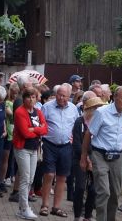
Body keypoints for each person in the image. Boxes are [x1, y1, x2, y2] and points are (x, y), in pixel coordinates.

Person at [80, 86, 122, 221]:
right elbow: (88, 134)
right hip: (100, 155)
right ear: (115, 97)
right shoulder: (102, 112)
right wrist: (83, 157)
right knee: (104, 191)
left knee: (115, 193)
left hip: (118, 157)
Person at [38, 84, 77, 218]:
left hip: (66, 146)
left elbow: (76, 125)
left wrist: (73, 139)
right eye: (59, 95)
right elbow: (40, 124)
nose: (61, 98)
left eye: (64, 96)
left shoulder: (73, 109)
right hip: (49, 145)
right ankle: (44, 205)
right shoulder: (47, 107)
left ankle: (56, 207)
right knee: (49, 174)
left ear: (69, 96)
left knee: (62, 177)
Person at [12, 88, 48, 219]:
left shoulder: (38, 111)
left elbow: (46, 129)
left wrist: (34, 129)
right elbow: (25, 133)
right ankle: (23, 208)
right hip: (22, 148)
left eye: (34, 97)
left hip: (34, 148)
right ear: (24, 98)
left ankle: (24, 206)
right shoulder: (20, 112)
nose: (31, 99)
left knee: (31, 179)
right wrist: (37, 130)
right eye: (28, 97)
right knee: (25, 178)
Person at [72, 96, 105, 221]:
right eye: (97, 108)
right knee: (80, 187)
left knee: (93, 189)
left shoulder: (100, 122)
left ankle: (88, 215)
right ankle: (77, 216)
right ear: (91, 109)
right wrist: (86, 158)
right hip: (80, 158)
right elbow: (77, 143)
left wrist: (93, 159)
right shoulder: (80, 122)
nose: (100, 110)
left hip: (95, 158)